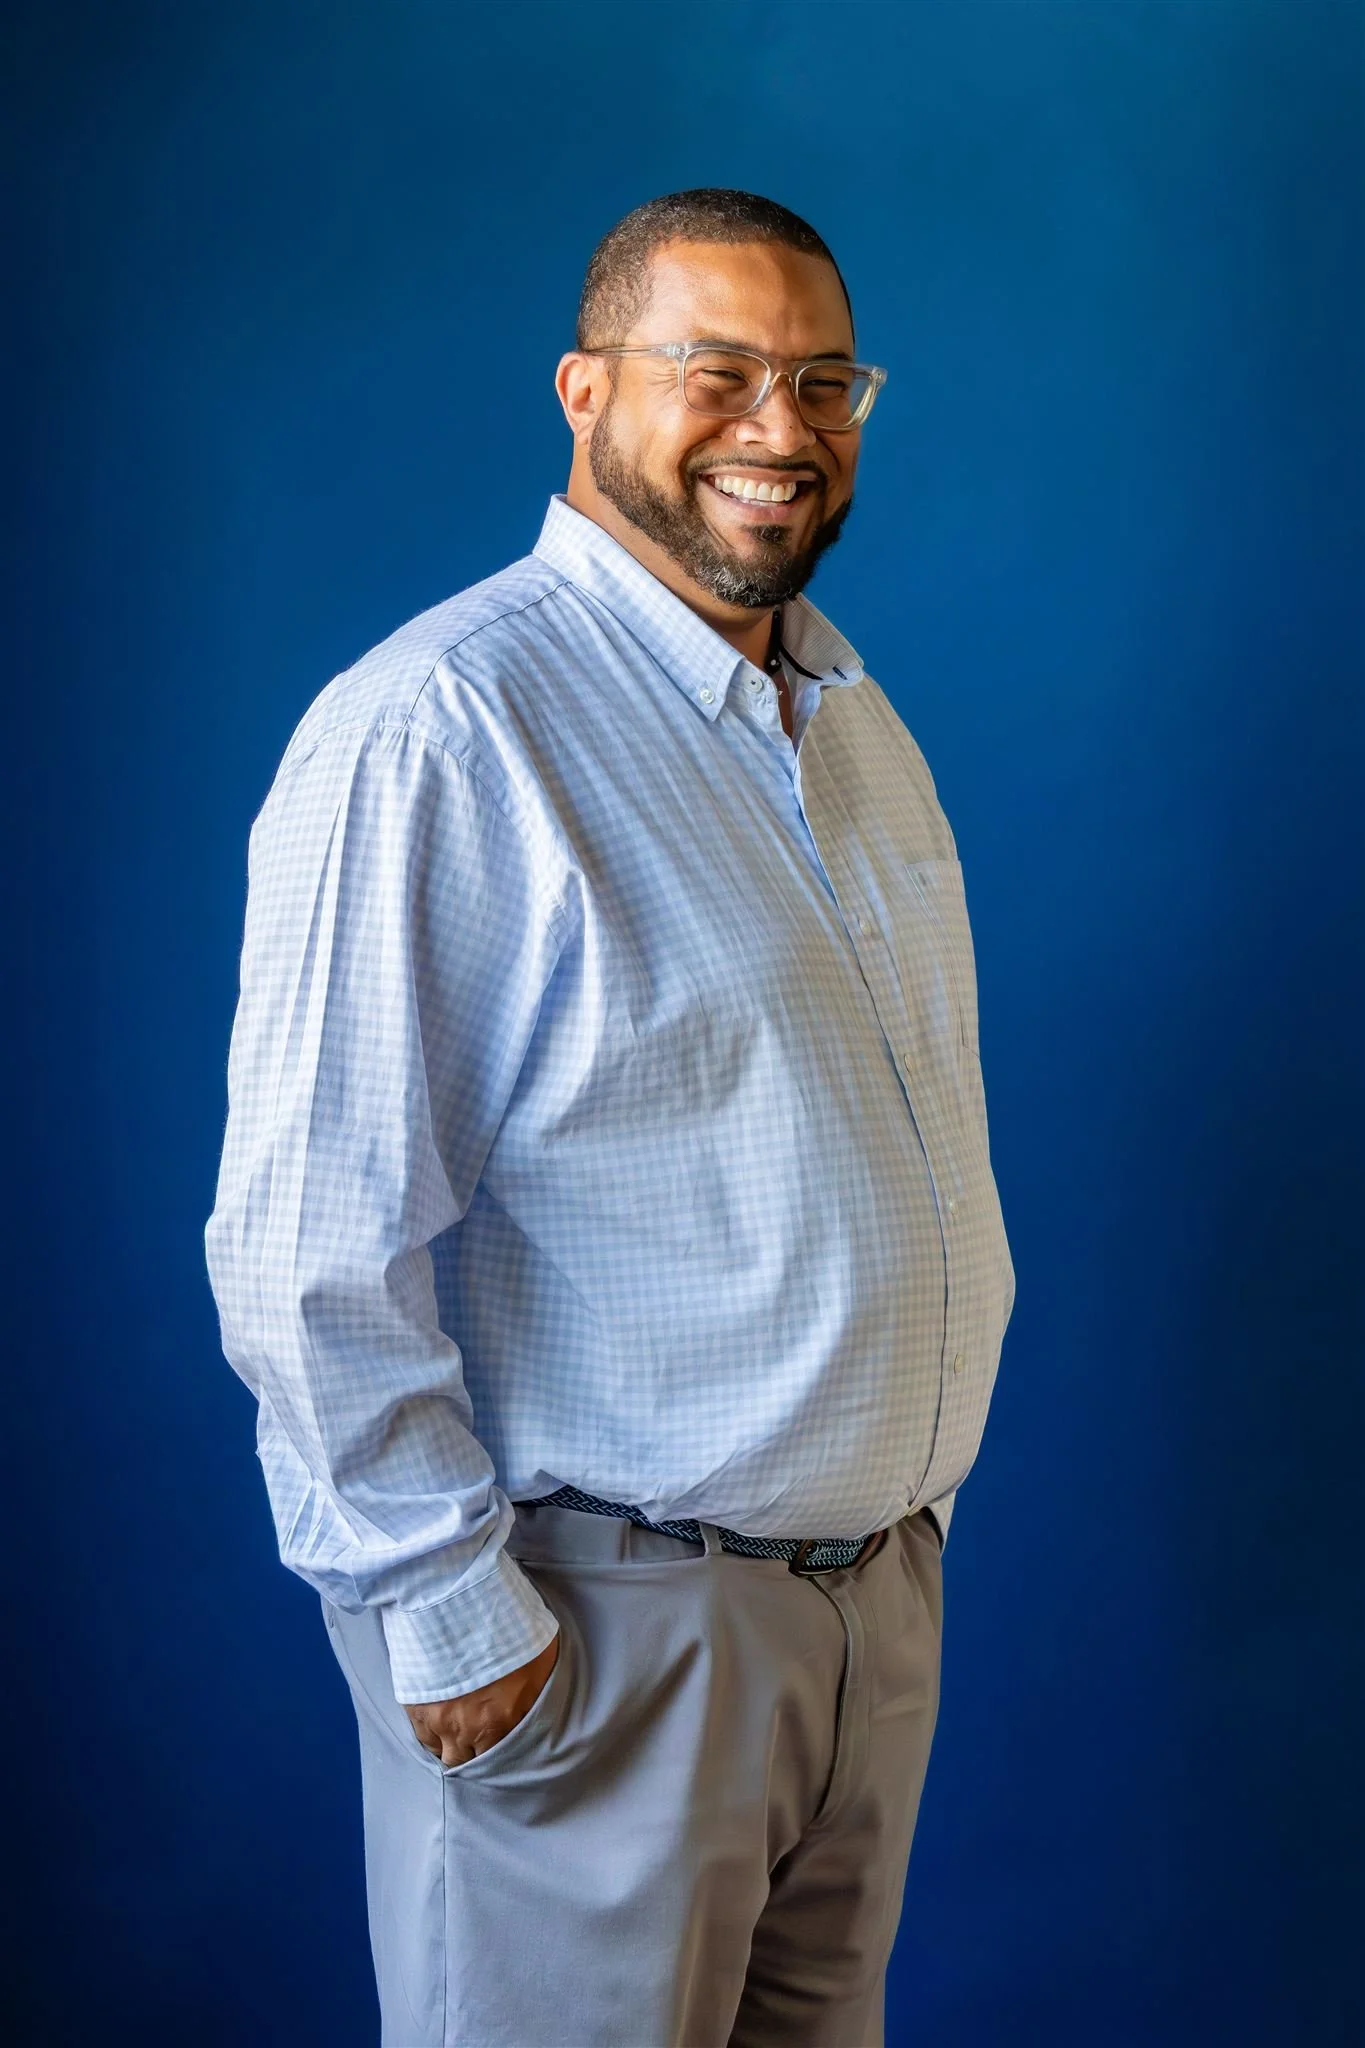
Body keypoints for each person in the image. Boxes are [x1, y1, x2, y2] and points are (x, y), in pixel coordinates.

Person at [206, 187, 1014, 2048]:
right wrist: (450, 1618)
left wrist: (896, 1529)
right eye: (715, 371)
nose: (779, 427)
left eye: (824, 382)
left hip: (865, 1617)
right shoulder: (441, 726)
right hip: (601, 1641)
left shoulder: (850, 721)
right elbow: (304, 1244)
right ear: (585, 391)